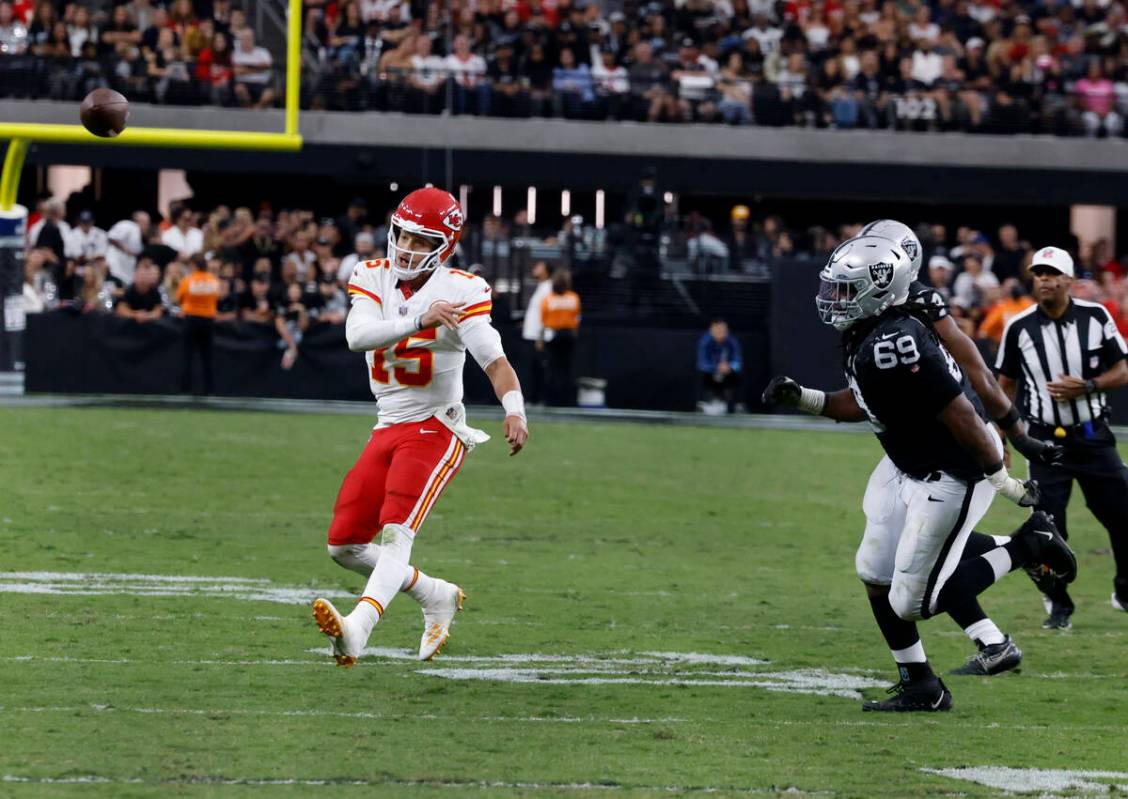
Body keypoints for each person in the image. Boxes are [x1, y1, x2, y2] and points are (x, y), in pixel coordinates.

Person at [763, 235, 1076, 712]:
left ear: (879, 288)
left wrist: (1004, 480)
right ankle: (921, 684)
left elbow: (963, 417)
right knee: (874, 571)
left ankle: (1026, 546)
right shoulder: (870, 329)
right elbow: (866, 405)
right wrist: (804, 398)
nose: (834, 299)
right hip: (905, 463)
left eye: (845, 289)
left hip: (953, 473)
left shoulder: (897, 341)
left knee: (914, 601)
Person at [311, 187, 528, 667]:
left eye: (420, 240)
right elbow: (356, 336)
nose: (407, 247)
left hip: (436, 428)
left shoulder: (463, 291)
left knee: (395, 534)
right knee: (344, 544)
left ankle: (357, 629)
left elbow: (494, 362)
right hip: (388, 425)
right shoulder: (372, 274)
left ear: (444, 247)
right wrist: (417, 318)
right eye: (403, 235)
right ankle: (435, 595)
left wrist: (515, 409)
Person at [995, 246, 1128, 628]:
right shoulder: (1018, 327)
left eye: (1052, 273)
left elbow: (1122, 370)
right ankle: (1059, 605)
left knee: (1122, 515)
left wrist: (1088, 385)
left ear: (1069, 279)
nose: (1045, 280)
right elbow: (1003, 386)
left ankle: (1125, 590)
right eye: (1038, 274)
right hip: (1045, 443)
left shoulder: (1095, 316)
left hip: (1093, 436)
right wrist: (1001, 436)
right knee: (1049, 529)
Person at [176, 254, 219, 394]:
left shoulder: (188, 280)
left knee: (187, 356)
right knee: (207, 357)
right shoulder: (213, 280)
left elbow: (179, 298)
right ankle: (209, 390)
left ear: (194, 265)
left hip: (191, 319)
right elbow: (216, 297)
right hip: (208, 320)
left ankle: (185, 390)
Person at [540, 269, 581, 406]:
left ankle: (551, 400)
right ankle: (567, 401)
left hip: (553, 336)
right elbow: (577, 319)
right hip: (568, 336)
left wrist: (540, 339)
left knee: (551, 368)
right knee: (567, 368)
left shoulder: (548, 299)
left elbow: (543, 320)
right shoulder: (574, 298)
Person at [520, 260, 552, 405]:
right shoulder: (541, 287)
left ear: (546, 271)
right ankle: (533, 397)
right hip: (532, 334)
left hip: (538, 336)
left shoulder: (548, 287)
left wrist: (541, 336)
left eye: (539, 266)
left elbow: (546, 314)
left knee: (539, 368)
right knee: (532, 369)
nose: (535, 268)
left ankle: (539, 398)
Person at [697, 319, 742, 413]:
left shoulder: (732, 342)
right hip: (710, 375)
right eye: (717, 331)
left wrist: (729, 367)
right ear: (711, 331)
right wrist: (716, 367)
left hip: (728, 374)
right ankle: (706, 404)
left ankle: (735, 405)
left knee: (736, 376)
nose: (720, 333)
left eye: (723, 331)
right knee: (702, 376)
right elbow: (702, 363)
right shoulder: (705, 342)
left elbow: (738, 363)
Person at [106, 210, 150, 285]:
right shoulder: (127, 225)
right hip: (115, 268)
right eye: (146, 222)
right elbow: (111, 238)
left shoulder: (139, 235)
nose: (147, 226)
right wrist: (126, 250)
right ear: (139, 221)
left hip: (126, 273)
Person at [115, 257, 165, 321]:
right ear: (135, 276)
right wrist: (135, 315)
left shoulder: (155, 292)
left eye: (145, 275)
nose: (142, 279)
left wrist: (146, 316)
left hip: (149, 324)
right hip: (130, 323)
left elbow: (158, 312)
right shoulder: (129, 290)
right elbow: (121, 309)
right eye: (140, 275)